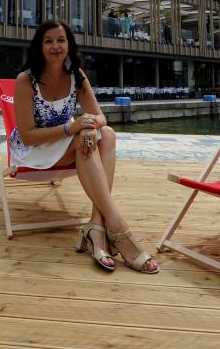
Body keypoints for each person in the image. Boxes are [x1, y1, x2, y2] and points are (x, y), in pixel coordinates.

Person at [12, 20, 159, 274]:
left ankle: (96, 226)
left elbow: (101, 117)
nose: (56, 46)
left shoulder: (76, 76)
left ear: (69, 44)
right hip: (35, 150)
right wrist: (74, 128)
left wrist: (88, 125)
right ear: (39, 46)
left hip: (67, 141)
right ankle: (118, 228)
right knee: (85, 139)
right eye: (49, 41)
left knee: (107, 134)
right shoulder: (26, 80)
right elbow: (28, 136)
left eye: (61, 40)